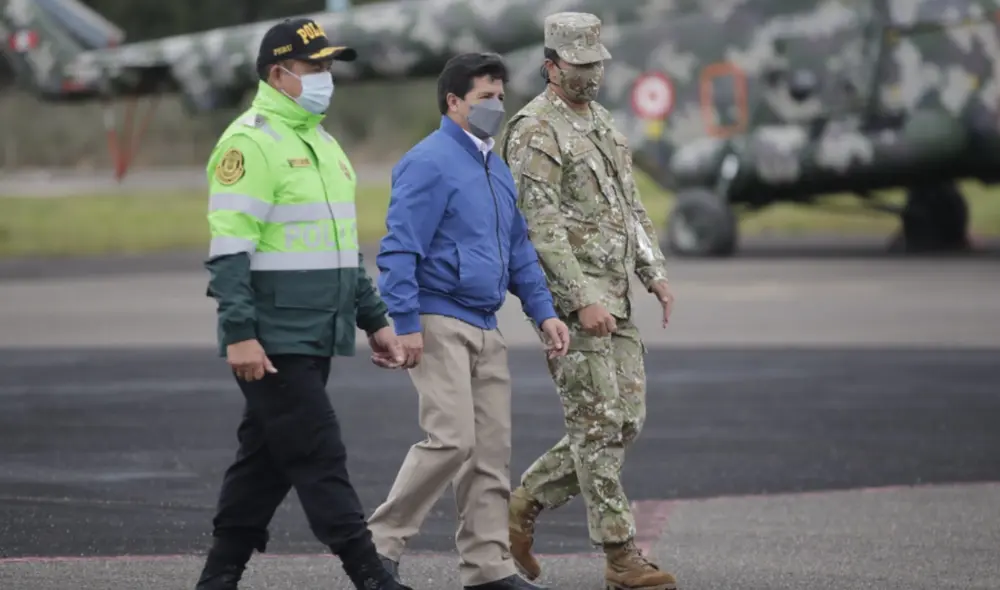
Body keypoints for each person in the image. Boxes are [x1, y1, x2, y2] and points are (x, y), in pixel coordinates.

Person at [195, 17, 412, 590]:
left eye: (328, 66)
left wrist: (375, 320)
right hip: (272, 336)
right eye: (315, 67)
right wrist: (240, 333)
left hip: (318, 331)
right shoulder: (251, 141)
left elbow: (343, 249)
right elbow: (229, 251)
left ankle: (218, 577)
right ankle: (370, 574)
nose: (326, 77)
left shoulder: (321, 143)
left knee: (263, 464)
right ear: (279, 73)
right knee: (319, 453)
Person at [369, 52, 571, 590]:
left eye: (500, 97)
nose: (496, 106)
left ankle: (487, 568)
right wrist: (405, 321)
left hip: (487, 326)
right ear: (453, 102)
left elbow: (518, 252)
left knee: (489, 455)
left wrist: (543, 313)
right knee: (452, 440)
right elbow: (398, 250)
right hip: (439, 320)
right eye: (485, 97)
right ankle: (377, 545)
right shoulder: (429, 161)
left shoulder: (495, 167)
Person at [499, 12, 678, 590]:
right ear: (551, 66)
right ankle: (621, 556)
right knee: (597, 427)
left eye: (596, 63)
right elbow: (539, 226)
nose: (591, 75)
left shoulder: (602, 123)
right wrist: (579, 301)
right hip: (571, 305)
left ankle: (523, 503)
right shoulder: (535, 131)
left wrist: (653, 270)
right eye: (578, 65)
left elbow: (631, 206)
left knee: (626, 420)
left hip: (619, 297)